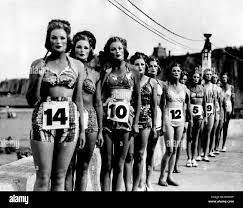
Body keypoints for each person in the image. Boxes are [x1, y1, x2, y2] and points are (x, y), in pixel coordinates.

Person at [26, 19, 86, 191]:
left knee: (60, 177)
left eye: (62, 38)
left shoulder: (77, 65)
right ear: (48, 40)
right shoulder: (37, 64)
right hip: (42, 119)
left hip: (70, 121)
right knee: (43, 177)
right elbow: (31, 100)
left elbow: (78, 99)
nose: (58, 42)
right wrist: (38, 77)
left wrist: (82, 130)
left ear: (68, 40)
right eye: (54, 38)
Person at [100, 37, 141, 191]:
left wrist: (136, 122)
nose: (117, 52)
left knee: (119, 163)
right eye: (113, 49)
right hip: (108, 121)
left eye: (119, 48)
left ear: (124, 50)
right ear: (108, 52)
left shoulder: (133, 70)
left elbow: (137, 99)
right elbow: (100, 96)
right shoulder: (106, 71)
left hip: (126, 122)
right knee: (107, 162)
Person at [65, 31, 103, 191]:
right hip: (69, 119)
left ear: (90, 50)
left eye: (85, 47)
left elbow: (99, 102)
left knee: (83, 166)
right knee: (68, 167)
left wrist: (100, 130)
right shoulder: (66, 69)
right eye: (78, 47)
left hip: (91, 121)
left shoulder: (95, 74)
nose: (81, 50)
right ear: (73, 48)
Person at [124, 53, 157, 191]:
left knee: (140, 154)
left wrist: (155, 126)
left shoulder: (152, 82)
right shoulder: (128, 79)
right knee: (128, 156)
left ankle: (136, 187)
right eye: (136, 64)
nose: (140, 67)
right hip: (130, 120)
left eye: (142, 64)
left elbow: (155, 106)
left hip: (146, 122)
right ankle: (127, 186)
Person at [158, 63, 192, 186]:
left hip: (180, 121)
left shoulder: (185, 88)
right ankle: (161, 176)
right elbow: (162, 106)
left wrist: (187, 122)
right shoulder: (166, 86)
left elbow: (186, 106)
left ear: (181, 72)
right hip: (168, 120)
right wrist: (162, 123)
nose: (176, 72)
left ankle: (169, 176)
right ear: (170, 72)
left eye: (178, 70)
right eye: (174, 70)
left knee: (176, 148)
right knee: (169, 148)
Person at [186, 71, 206, 167]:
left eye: (197, 77)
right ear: (192, 78)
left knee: (196, 136)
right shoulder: (189, 89)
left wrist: (205, 116)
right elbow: (187, 103)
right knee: (189, 136)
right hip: (191, 115)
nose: (195, 79)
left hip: (199, 114)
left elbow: (204, 103)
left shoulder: (202, 89)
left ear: (200, 78)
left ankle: (193, 158)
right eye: (194, 77)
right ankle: (188, 158)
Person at [173, 71, 189, 173]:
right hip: (172, 117)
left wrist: (187, 120)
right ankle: (172, 164)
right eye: (182, 79)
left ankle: (176, 165)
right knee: (172, 144)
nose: (183, 81)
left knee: (179, 144)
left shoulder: (186, 90)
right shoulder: (173, 87)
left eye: (185, 80)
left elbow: (186, 106)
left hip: (183, 118)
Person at [201, 68, 217, 162]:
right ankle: (200, 152)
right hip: (202, 110)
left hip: (211, 111)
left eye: (210, 74)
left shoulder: (214, 87)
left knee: (208, 132)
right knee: (201, 131)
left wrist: (215, 112)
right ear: (204, 75)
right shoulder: (201, 86)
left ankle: (206, 153)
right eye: (207, 74)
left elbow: (215, 101)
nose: (209, 76)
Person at [221, 72, 235, 152]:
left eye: (225, 77)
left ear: (227, 78)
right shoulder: (219, 86)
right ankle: (215, 146)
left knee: (225, 127)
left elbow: (233, 99)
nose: (224, 79)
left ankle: (223, 145)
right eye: (223, 77)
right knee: (219, 127)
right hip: (221, 108)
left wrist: (233, 110)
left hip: (228, 107)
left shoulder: (231, 87)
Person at [208, 73, 221, 157]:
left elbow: (219, 101)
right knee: (209, 130)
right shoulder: (209, 86)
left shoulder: (219, 88)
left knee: (214, 130)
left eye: (216, 77)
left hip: (216, 109)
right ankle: (207, 149)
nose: (215, 79)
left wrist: (219, 112)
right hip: (210, 109)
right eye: (213, 77)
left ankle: (211, 149)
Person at [214, 79, 225, 154]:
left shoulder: (221, 91)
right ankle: (211, 148)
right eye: (217, 83)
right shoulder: (213, 89)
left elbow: (223, 104)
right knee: (213, 130)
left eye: (219, 83)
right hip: (214, 111)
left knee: (219, 130)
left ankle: (216, 147)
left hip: (220, 111)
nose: (218, 84)